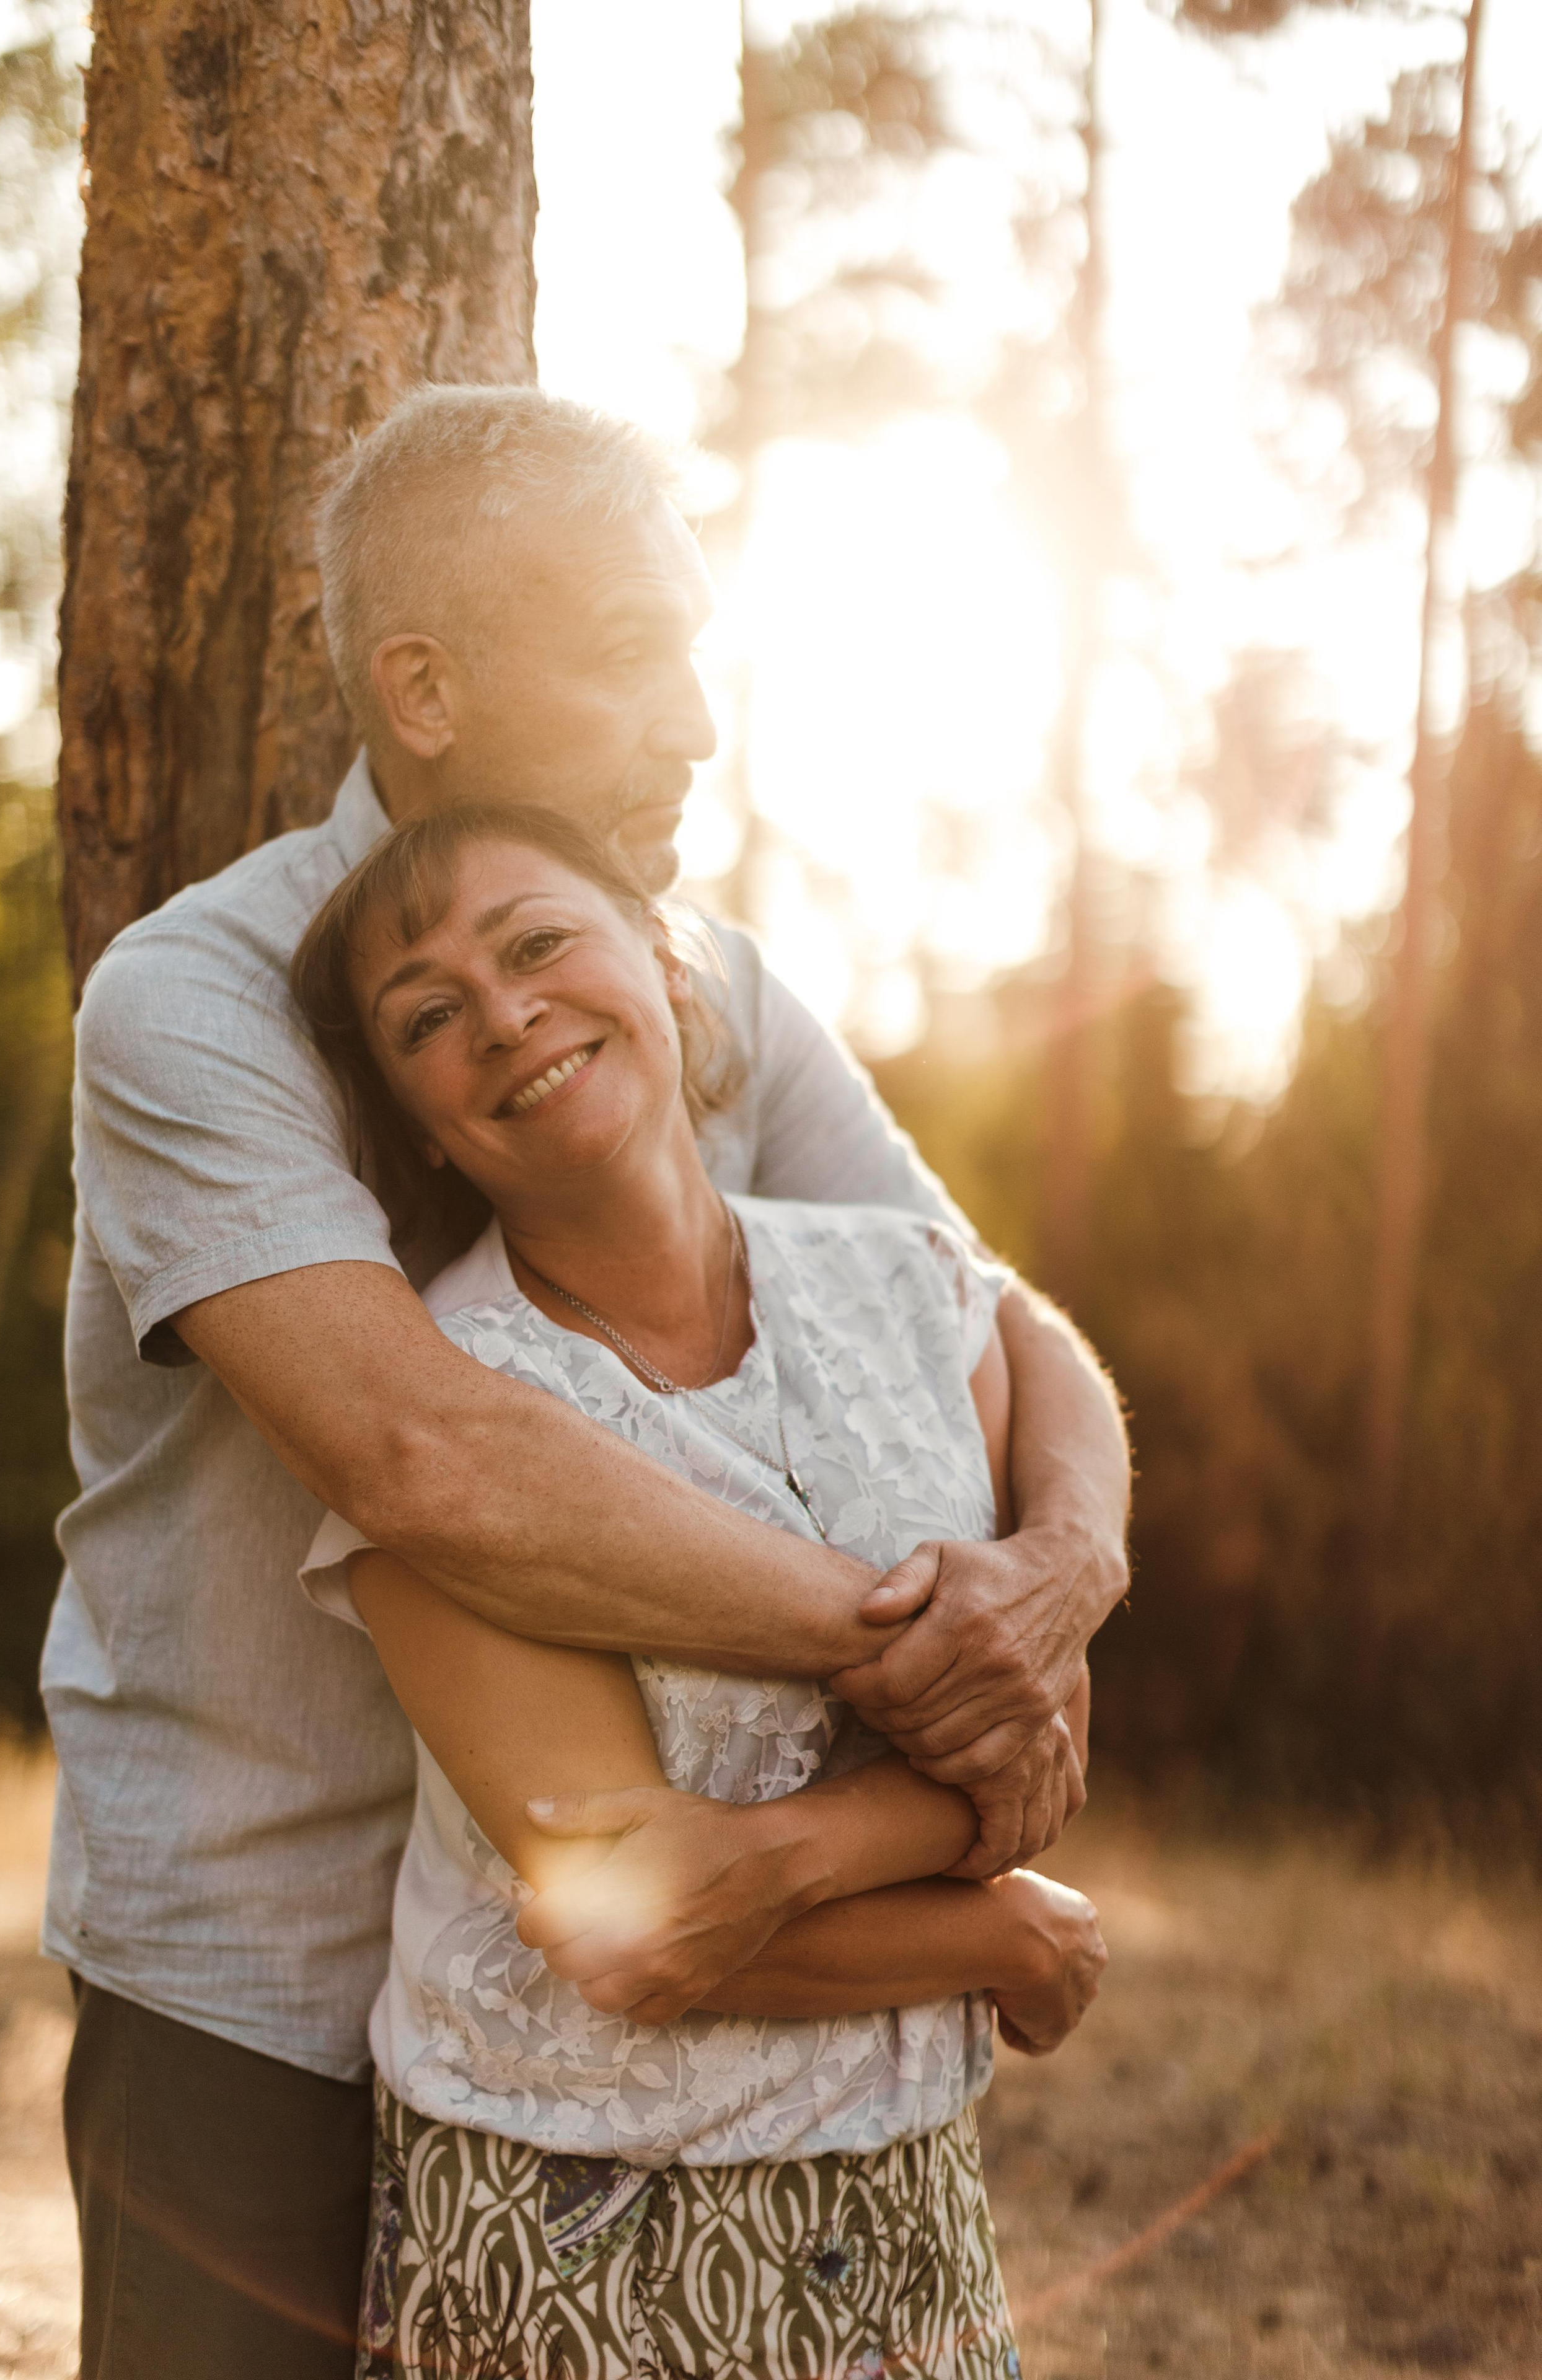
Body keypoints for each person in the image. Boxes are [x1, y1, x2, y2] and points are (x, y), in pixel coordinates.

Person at [46, 385, 1129, 2379]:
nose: (694, 724)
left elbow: (993, 1313)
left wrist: (1055, 1573)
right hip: (257, 1971)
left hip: (673, 2001)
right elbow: (424, 1450)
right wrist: (916, 1655)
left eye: (697, 655)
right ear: (426, 687)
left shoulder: (692, 978)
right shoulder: (195, 1001)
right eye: (635, 655)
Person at [289, 796, 1108, 2378]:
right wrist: (998, 1932)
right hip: (566, 2227)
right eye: (428, 1020)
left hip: (908, 2193)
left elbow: (1043, 1722)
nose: (504, 1014)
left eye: (535, 944)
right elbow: (634, 1932)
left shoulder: (908, 1290)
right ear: (425, 1122)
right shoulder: (442, 1418)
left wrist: (787, 1849)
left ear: (667, 966)